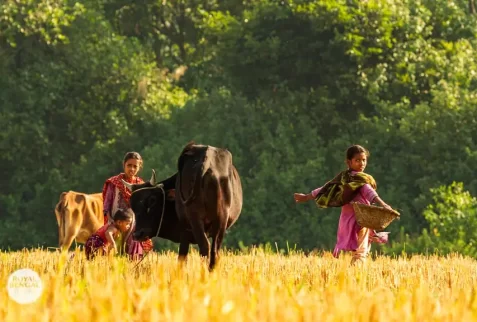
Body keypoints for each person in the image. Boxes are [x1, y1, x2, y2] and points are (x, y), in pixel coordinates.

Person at [294, 145, 393, 265]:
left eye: (364, 160)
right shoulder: (359, 180)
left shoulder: (344, 178)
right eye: (357, 160)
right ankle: (356, 276)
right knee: (361, 252)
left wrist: (307, 196)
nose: (361, 163)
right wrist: (384, 205)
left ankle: (352, 274)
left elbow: (326, 187)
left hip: (348, 220)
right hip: (361, 220)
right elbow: (370, 193)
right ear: (349, 162)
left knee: (358, 251)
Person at [102, 151, 153, 260]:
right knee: (115, 252)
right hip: (116, 223)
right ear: (124, 165)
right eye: (129, 165)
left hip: (133, 224)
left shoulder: (141, 184)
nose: (132, 169)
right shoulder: (114, 182)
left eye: (135, 166)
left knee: (133, 250)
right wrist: (111, 221)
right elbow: (107, 204)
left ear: (139, 167)